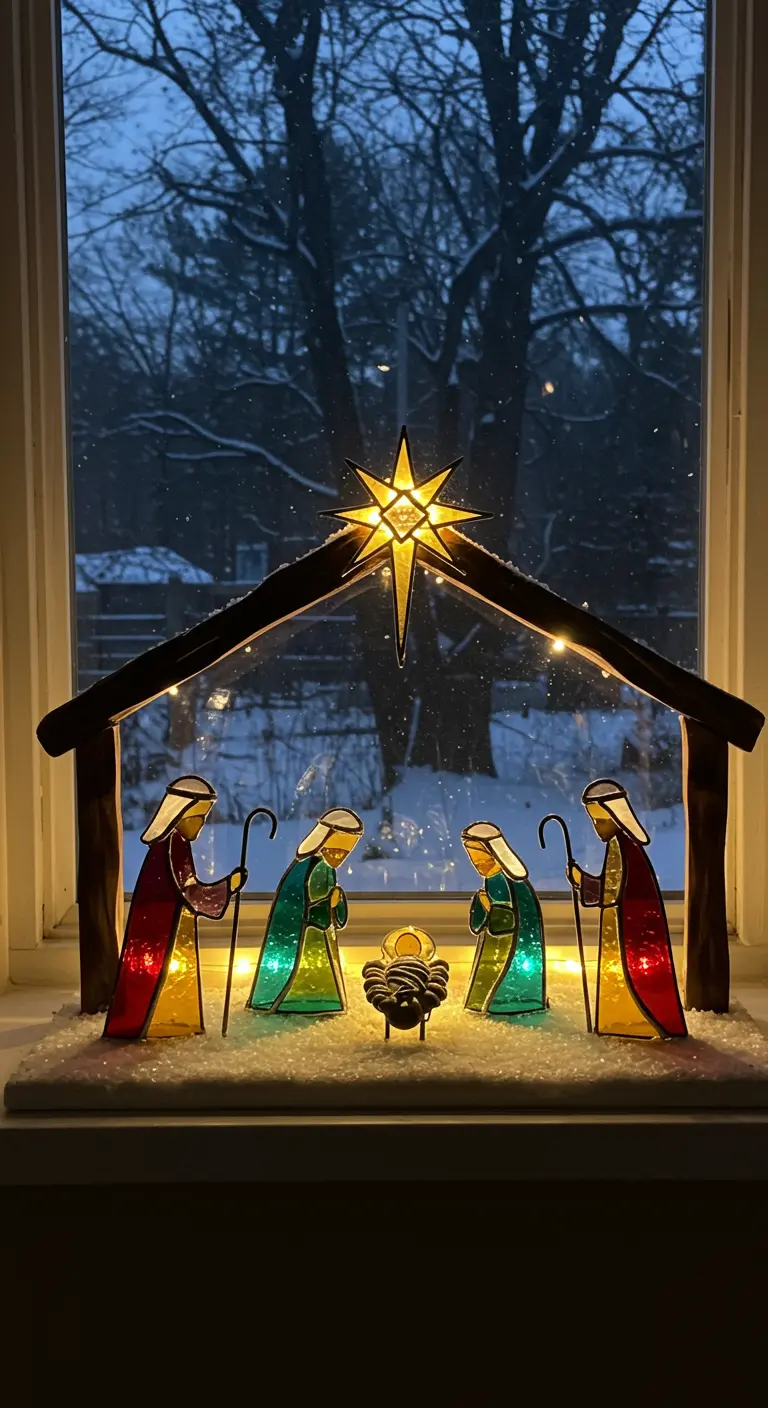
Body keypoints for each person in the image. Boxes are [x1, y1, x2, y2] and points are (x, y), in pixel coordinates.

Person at [104, 775, 245, 1040]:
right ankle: (144, 1024)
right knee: (153, 987)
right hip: (160, 935)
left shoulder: (178, 844)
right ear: (181, 814)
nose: (201, 825)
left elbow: (187, 889)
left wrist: (225, 887)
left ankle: (172, 1020)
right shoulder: (169, 847)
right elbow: (187, 893)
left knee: (168, 984)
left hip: (173, 929)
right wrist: (227, 886)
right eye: (198, 818)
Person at [567, 779, 686, 1039]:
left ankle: (643, 1023)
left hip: (631, 933)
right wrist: (583, 880)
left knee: (635, 982)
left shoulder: (625, 849)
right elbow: (612, 888)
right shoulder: (617, 847)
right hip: (618, 928)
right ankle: (619, 1022)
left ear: (615, 817)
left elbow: (612, 894)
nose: (597, 828)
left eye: (600, 821)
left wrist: (582, 881)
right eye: (594, 821)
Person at [247, 808, 363, 1015]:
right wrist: (330, 903)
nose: (340, 858)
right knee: (298, 971)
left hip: (318, 938)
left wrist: (333, 902)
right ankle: (287, 998)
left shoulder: (326, 869)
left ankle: (321, 997)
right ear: (324, 843)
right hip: (297, 939)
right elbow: (301, 910)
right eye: (336, 851)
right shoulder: (308, 868)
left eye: (345, 853)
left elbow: (325, 907)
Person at [462, 821, 546, 1016]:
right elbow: (481, 925)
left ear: (495, 855)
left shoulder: (510, 883)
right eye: (474, 861)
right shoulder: (491, 881)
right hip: (495, 948)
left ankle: (514, 1002)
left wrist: (488, 908)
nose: (478, 865)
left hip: (512, 950)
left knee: (499, 982)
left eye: (483, 860)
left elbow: (507, 922)